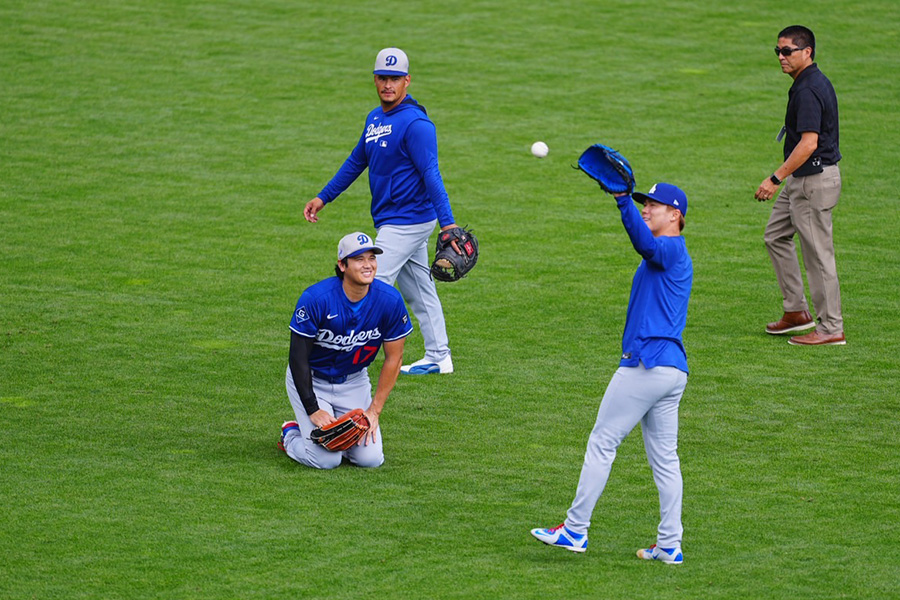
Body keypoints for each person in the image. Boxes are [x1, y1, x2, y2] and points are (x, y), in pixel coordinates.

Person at [531, 183, 692, 564]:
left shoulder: (668, 249)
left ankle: (575, 529)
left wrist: (623, 203)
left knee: (602, 442)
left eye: (655, 205)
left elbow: (645, 245)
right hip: (672, 370)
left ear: (676, 215)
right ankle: (670, 545)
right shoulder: (671, 255)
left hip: (646, 364)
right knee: (666, 460)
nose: (647, 209)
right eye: (643, 203)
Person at [304, 47, 460, 375]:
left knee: (368, 281)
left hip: (410, 219)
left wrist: (448, 225)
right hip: (393, 218)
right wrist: (324, 197)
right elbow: (356, 161)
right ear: (375, 80)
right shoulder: (375, 119)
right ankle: (439, 356)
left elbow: (431, 172)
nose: (388, 84)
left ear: (407, 81)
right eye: (382, 78)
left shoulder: (417, 124)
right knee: (419, 288)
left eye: (395, 78)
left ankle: (348, 359)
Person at [278, 232, 413, 469]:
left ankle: (337, 440)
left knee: (370, 460)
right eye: (359, 259)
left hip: (354, 383)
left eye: (371, 258)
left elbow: (395, 357)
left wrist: (374, 411)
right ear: (342, 265)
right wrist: (312, 408)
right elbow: (298, 357)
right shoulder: (316, 299)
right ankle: (291, 434)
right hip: (312, 381)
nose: (368, 264)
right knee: (325, 460)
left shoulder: (389, 301)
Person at [754, 25, 845, 346]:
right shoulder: (807, 82)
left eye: (787, 51)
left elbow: (808, 143)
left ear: (807, 52)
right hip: (803, 179)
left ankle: (831, 328)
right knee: (775, 236)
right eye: (777, 51)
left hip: (812, 181)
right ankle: (796, 312)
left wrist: (774, 178)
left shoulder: (808, 90)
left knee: (818, 256)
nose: (780, 57)